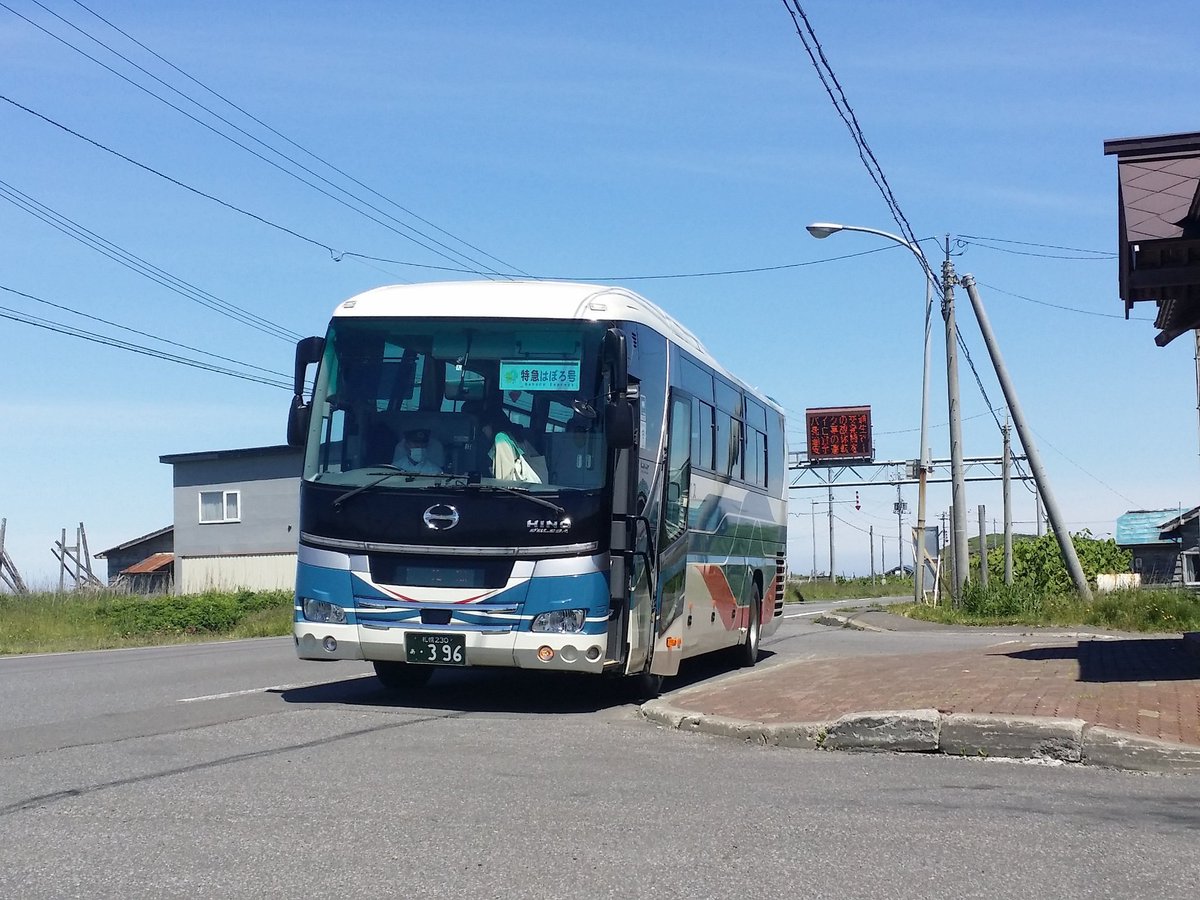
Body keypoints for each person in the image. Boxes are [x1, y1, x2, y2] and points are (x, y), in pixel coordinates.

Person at [481, 412, 541, 483]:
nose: (483, 430)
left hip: (518, 489)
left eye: (484, 426)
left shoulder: (501, 438)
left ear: (492, 424)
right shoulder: (516, 437)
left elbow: (504, 479)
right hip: (537, 487)